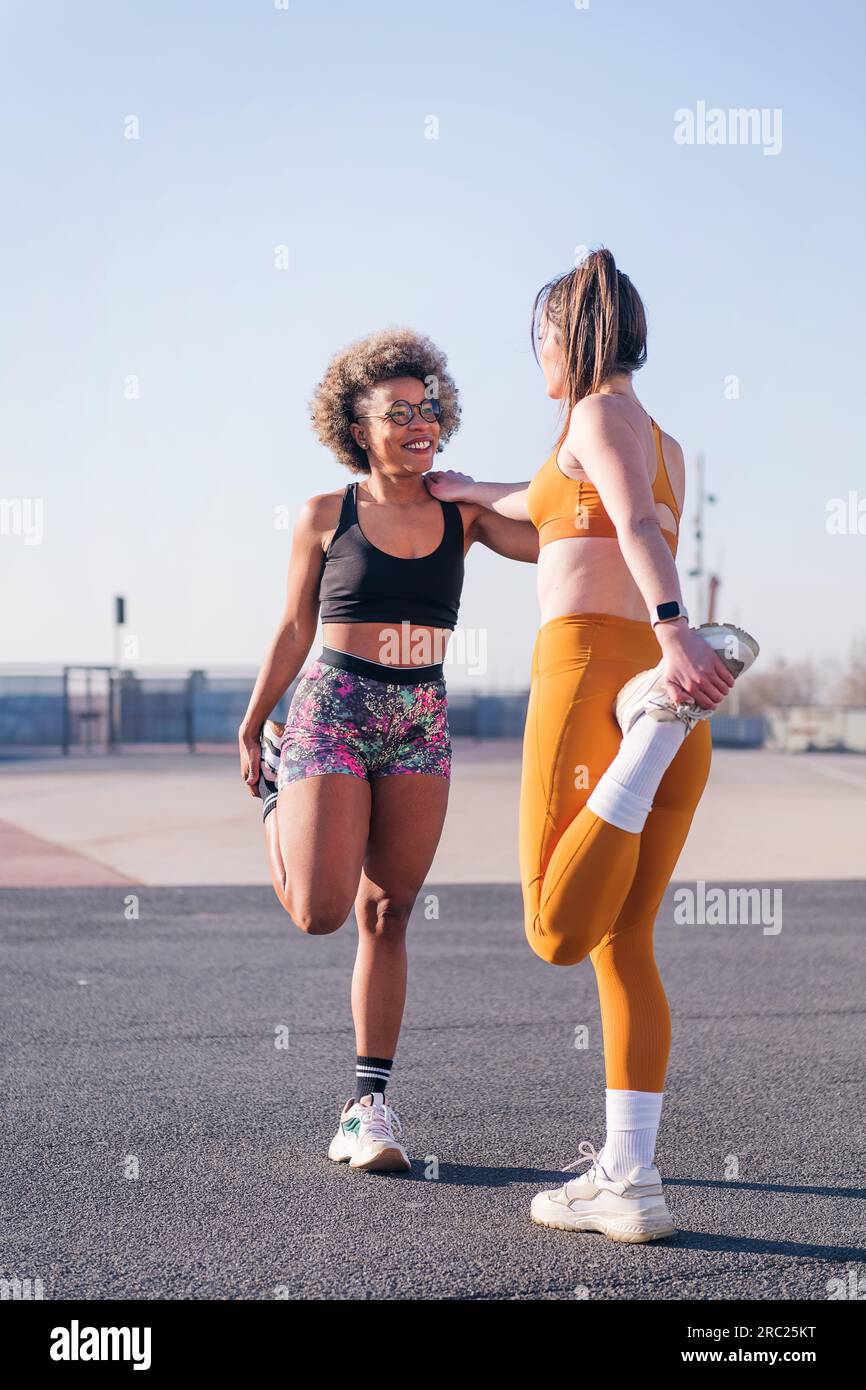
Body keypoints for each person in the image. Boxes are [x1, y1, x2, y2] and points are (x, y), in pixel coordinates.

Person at [427, 250, 759, 1240]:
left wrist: (674, 635)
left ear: (566, 336)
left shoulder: (588, 416)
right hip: (662, 699)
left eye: (536, 337)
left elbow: (627, 530)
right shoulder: (658, 438)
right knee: (625, 945)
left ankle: (642, 737)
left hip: (600, 686)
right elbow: (563, 511)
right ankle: (629, 1179)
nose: (533, 355)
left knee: (553, 929)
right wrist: (467, 494)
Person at [238, 328, 537, 1173]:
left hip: (420, 715)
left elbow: (564, 521)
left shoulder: (463, 514)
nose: (418, 422)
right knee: (321, 912)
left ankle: (367, 1105)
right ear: (356, 426)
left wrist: (478, 485)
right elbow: (297, 625)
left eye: (428, 408)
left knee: (388, 912)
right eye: (397, 411)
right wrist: (257, 718)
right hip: (334, 705)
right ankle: (275, 807)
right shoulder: (324, 515)